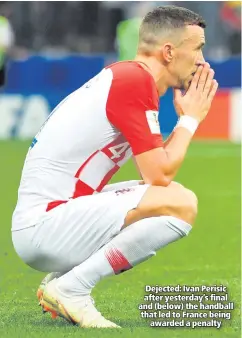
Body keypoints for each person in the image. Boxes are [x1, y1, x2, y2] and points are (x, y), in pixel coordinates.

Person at [12, 5, 218, 329]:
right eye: (198, 48)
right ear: (169, 51)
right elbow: (158, 174)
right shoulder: (135, 81)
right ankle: (72, 287)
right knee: (181, 204)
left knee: (173, 197)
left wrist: (185, 121)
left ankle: (64, 279)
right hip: (45, 225)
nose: (202, 61)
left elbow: (154, 175)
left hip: (47, 221)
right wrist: (190, 120)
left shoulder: (127, 77)